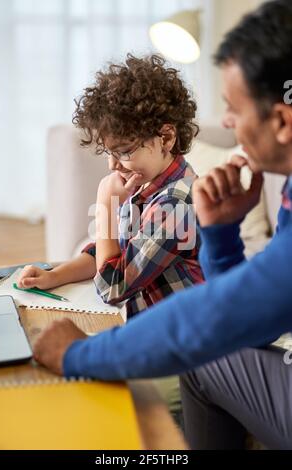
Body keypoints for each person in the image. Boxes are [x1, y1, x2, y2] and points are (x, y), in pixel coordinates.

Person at [32, 0, 292, 450]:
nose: (226, 123)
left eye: (232, 108)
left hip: (175, 341)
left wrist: (79, 355)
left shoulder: (176, 199)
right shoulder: (282, 193)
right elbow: (253, 319)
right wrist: (223, 235)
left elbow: (130, 292)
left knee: (180, 367)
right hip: (194, 331)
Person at [18, 54, 203, 423]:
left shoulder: (176, 202)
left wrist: (106, 205)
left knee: (94, 401)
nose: (112, 165)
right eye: (108, 152)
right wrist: (58, 274)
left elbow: (114, 283)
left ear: (165, 137)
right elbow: (117, 251)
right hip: (152, 331)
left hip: (186, 356)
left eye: (123, 151)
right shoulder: (150, 182)